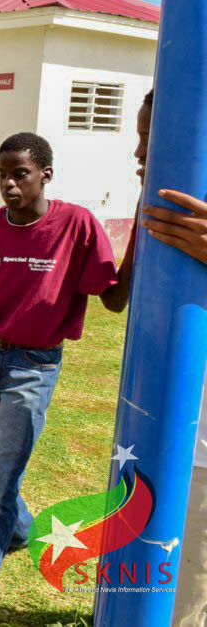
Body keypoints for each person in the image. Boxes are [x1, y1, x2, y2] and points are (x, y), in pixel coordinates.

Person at [0, 133, 136, 627]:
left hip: (31, 369)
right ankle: (17, 529)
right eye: (3, 174)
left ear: (45, 175)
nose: (9, 184)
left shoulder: (76, 225)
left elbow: (113, 299)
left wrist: (141, 226)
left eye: (20, 174)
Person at [135, 88, 207, 625]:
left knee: (180, 602)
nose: (139, 153)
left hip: (199, 458)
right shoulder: (165, 224)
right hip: (155, 437)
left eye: (151, 139)